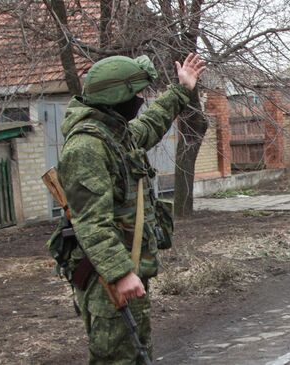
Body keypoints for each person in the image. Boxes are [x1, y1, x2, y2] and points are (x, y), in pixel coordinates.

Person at [57, 53, 206, 364]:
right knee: (117, 358)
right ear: (116, 97)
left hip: (124, 267)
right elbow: (91, 222)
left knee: (134, 353)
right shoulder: (87, 147)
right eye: (136, 93)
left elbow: (150, 124)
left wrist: (182, 89)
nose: (140, 100)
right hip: (105, 278)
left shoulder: (114, 134)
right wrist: (121, 273)